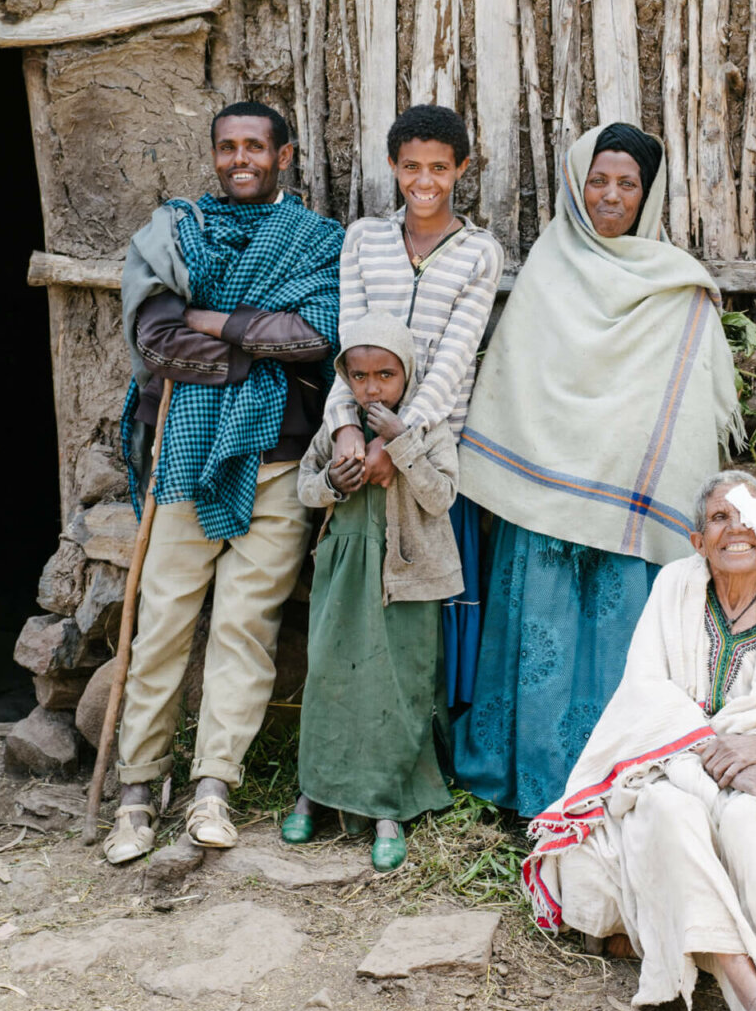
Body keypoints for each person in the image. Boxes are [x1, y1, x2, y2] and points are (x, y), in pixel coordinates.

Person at [454, 123, 742, 817]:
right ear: (577, 186)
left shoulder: (678, 286)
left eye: (628, 184)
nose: (611, 196)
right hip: (543, 510)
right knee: (541, 644)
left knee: (622, 654)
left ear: (649, 195)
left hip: (628, 517)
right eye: (598, 180)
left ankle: (616, 789)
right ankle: (534, 789)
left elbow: (683, 415)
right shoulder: (549, 271)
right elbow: (516, 390)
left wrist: (612, 460)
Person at [522, 471, 756, 1011]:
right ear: (699, 542)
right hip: (674, 765)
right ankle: (755, 1004)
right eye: (720, 518)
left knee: (749, 819)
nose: (736, 527)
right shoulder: (674, 587)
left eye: (749, 516)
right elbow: (644, 693)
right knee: (671, 812)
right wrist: (709, 749)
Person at [102, 101, 344, 865]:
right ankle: (139, 789)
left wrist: (211, 320)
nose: (241, 158)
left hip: (279, 459)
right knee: (163, 622)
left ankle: (215, 787)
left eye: (255, 147)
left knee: (246, 627)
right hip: (183, 457)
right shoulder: (176, 233)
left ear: (285, 154)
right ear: (213, 154)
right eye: (227, 147)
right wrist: (254, 340)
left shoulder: (317, 241)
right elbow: (160, 346)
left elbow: (315, 338)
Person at [328, 106, 504, 708]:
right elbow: (347, 344)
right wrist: (346, 430)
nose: (424, 181)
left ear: (461, 168)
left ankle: (430, 732)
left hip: (430, 450)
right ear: (391, 167)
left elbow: (454, 362)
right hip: (360, 453)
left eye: (438, 167)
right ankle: (362, 722)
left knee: (428, 599)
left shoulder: (480, 253)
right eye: (410, 167)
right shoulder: (364, 239)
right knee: (360, 597)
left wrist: (396, 442)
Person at [292, 314, 460, 872]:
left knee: (398, 687)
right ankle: (313, 794)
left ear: (406, 374)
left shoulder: (430, 431)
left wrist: (401, 443)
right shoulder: (336, 430)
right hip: (344, 570)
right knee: (330, 678)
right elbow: (305, 487)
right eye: (359, 376)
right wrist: (330, 485)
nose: (372, 388)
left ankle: (388, 808)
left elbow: (441, 499)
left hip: (406, 580)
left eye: (385, 375)